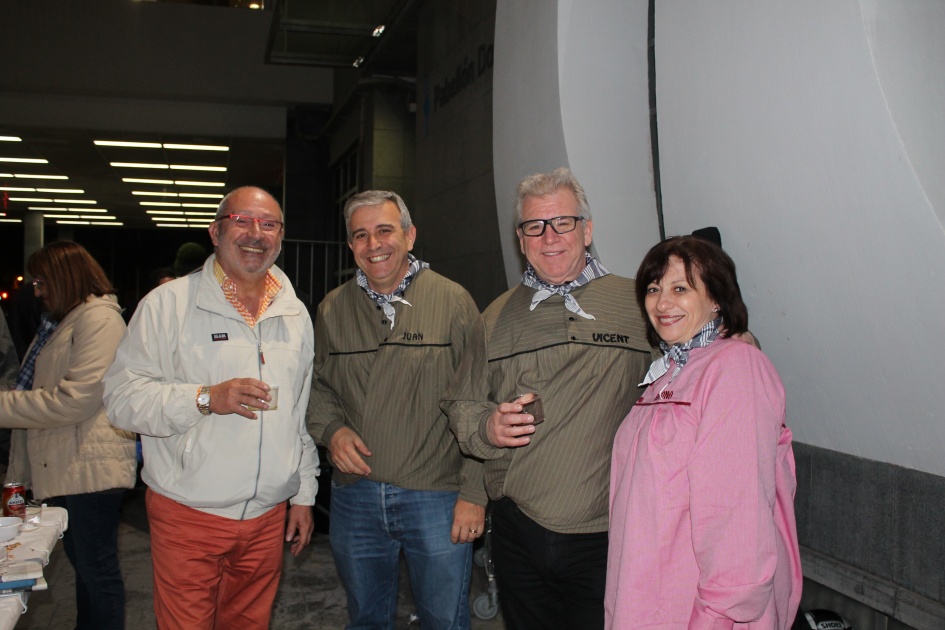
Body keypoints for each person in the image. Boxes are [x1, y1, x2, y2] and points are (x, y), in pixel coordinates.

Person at [441, 168, 652, 629]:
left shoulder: (639, 305)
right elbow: (463, 405)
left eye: (563, 222)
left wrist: (736, 340)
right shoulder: (493, 318)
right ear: (521, 240)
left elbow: (699, 362)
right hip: (519, 532)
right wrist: (487, 427)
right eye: (534, 226)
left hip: (609, 531)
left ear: (587, 230)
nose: (549, 237)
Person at [103, 186, 319, 630]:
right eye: (242, 221)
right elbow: (122, 400)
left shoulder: (295, 314)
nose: (256, 233)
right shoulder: (166, 306)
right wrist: (204, 398)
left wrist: (303, 494)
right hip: (188, 515)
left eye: (269, 224)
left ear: (280, 237)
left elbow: (297, 415)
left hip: (266, 518)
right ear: (216, 232)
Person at [307, 190, 486, 629]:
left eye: (384, 230)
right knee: (366, 618)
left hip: (437, 495)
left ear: (409, 236)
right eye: (360, 235)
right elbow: (316, 387)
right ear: (350, 245)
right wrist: (332, 430)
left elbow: (478, 402)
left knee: (444, 621)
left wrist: (474, 495)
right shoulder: (332, 309)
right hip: (356, 496)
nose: (374, 244)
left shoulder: (453, 302)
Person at [605, 236, 801, 629]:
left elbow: (736, 513)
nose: (662, 303)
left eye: (680, 288)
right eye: (654, 289)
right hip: (647, 594)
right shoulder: (670, 371)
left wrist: (720, 614)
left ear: (716, 299)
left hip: (697, 611)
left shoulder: (735, 368)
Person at [0, 241, 137, 630]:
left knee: (98, 573)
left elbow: (74, 400)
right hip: (72, 463)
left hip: (89, 469)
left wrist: (4, 405)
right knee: (87, 572)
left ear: (64, 278)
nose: (37, 291)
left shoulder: (99, 321)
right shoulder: (69, 320)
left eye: (41, 282)